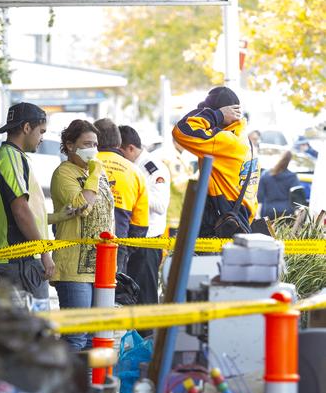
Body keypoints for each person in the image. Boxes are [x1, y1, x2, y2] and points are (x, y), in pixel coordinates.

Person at [50, 119, 115, 351]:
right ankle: (71, 387)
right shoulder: (63, 173)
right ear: (70, 145)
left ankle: (90, 387)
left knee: (94, 339)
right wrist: (94, 175)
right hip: (73, 268)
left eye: (95, 144)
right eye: (87, 143)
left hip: (101, 266)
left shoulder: (96, 171)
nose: (93, 149)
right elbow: (81, 205)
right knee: (76, 338)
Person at [0, 102, 54, 308]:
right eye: (41, 131)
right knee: (36, 330)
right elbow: (21, 211)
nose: (42, 138)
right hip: (21, 260)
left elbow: (29, 210)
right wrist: (44, 252)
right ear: (26, 128)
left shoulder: (14, 157)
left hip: (19, 260)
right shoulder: (11, 158)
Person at [172, 86, 259, 238]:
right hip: (238, 218)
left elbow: (182, 130)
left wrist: (217, 114)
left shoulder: (224, 141)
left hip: (219, 220)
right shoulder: (245, 142)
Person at [118, 125, 170, 305]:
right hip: (132, 240)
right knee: (130, 296)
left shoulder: (151, 168)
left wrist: (135, 193)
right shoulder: (132, 166)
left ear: (130, 148)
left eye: (120, 152)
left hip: (147, 243)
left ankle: (147, 334)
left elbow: (160, 205)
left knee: (145, 297)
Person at [94, 117, 149, 272]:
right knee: (113, 294)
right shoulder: (135, 172)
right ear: (118, 143)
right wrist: (124, 250)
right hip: (116, 248)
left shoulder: (81, 164)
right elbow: (140, 226)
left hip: (79, 246)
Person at [257, 150, 302, 219]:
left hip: (268, 211)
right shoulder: (292, 177)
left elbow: (259, 197)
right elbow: (297, 197)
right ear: (289, 161)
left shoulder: (265, 174)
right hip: (287, 212)